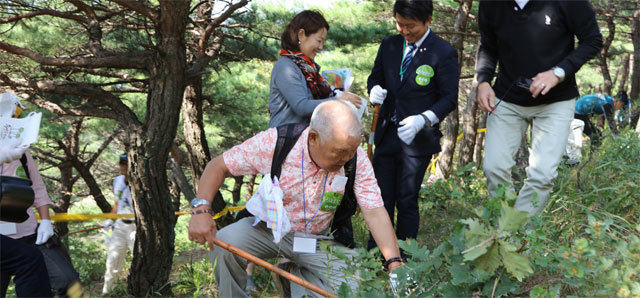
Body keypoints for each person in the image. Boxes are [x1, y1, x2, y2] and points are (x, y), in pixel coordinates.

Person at [188, 100, 402, 297]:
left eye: (352, 151)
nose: (346, 158)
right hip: (268, 230)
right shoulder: (278, 142)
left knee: (356, 288)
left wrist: (394, 263)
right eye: (340, 152)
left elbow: (374, 210)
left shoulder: (356, 158)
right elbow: (218, 166)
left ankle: (291, 276)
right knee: (225, 242)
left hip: (320, 240)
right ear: (313, 137)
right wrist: (201, 209)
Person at [475, 0, 603, 215]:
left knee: (542, 175)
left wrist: (558, 72)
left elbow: (593, 40)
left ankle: (521, 236)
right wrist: (483, 81)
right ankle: (504, 228)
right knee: (494, 169)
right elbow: (488, 45)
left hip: (556, 101)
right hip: (507, 97)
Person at [366, 0, 459, 252]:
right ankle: (376, 254)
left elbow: (449, 98)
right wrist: (373, 90)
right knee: (381, 198)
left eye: (411, 26)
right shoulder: (390, 45)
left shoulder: (443, 52)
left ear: (428, 20)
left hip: (417, 139)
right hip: (387, 133)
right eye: (399, 24)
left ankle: (406, 255)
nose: (405, 31)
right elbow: (375, 77)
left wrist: (424, 118)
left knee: (406, 198)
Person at [269, 10, 362, 128]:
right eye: (319, 40)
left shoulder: (310, 71)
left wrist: (340, 95)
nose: (321, 47)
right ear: (301, 35)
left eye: (323, 42)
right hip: (288, 140)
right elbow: (302, 107)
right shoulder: (285, 67)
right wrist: (337, 100)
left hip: (307, 139)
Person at [0, 93, 53, 298]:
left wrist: (46, 221)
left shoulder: (21, 153)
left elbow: (37, 188)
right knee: (29, 261)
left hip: (25, 231)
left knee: (65, 278)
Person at [102, 153, 135, 294]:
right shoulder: (118, 181)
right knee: (112, 260)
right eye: (122, 163)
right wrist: (110, 219)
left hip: (138, 227)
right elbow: (117, 204)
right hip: (120, 226)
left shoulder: (141, 182)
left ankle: (139, 291)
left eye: (126, 164)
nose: (123, 167)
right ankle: (108, 292)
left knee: (140, 260)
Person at [565, 93, 628, 164]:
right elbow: (611, 123)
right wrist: (619, 140)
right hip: (576, 113)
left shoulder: (608, 100)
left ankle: (591, 158)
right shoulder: (607, 104)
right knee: (596, 136)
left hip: (580, 113)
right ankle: (589, 160)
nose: (621, 107)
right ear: (617, 101)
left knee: (597, 135)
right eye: (622, 105)